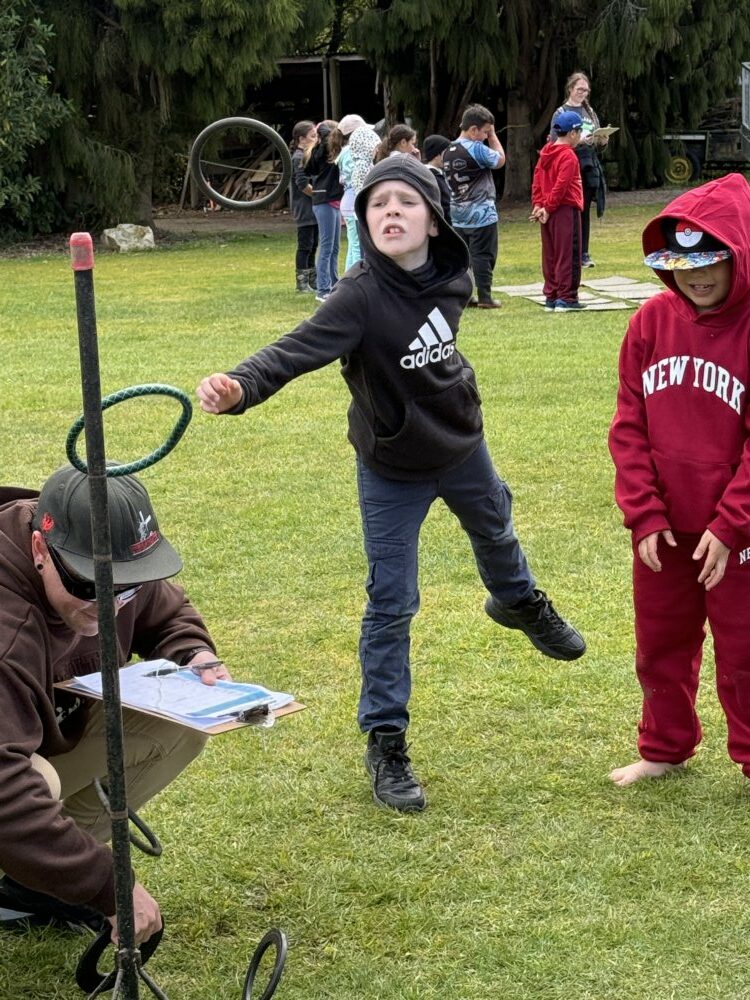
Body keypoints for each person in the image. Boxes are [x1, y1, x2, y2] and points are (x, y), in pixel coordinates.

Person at [196, 154, 586, 815]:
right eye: (378, 204)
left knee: (496, 527)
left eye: (406, 202)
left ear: (434, 222)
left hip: (461, 442)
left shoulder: (455, 274)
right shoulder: (358, 296)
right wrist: (239, 387)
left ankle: (518, 600)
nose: (391, 212)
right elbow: (292, 351)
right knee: (391, 603)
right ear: (364, 222)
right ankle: (386, 740)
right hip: (391, 466)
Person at [0, 466, 229, 942]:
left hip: (33, 739)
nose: (111, 605)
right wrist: (106, 883)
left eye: (127, 586)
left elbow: (164, 610)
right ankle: (38, 864)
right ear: (40, 549)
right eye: (91, 587)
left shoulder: (100, 553)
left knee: (180, 722)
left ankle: (33, 888)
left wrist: (192, 652)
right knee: (33, 782)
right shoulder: (7, 627)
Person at [608, 172, 750, 787]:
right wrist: (644, 512)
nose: (697, 276)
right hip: (666, 529)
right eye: (682, 264)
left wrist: (731, 525)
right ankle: (665, 746)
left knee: (744, 649)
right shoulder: (650, 322)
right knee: (660, 642)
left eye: (711, 260)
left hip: (737, 533)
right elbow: (629, 425)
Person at [443, 104, 505, 309]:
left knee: (465, 257)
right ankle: (485, 296)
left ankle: (466, 295)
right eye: (485, 131)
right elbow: (500, 160)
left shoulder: (448, 151)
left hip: (458, 214)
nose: (486, 136)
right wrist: (494, 136)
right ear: (473, 130)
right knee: (483, 255)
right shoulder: (476, 149)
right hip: (482, 213)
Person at [530, 111, 585, 312]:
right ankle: (567, 297)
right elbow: (561, 186)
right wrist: (548, 207)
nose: (580, 136)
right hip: (564, 209)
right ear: (572, 133)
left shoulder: (546, 152)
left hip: (546, 210)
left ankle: (551, 296)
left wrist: (538, 205)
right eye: (579, 132)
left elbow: (537, 180)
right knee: (568, 253)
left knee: (551, 254)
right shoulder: (568, 156)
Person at [552, 72, 607, 268]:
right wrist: (577, 141)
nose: (583, 93)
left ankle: (584, 253)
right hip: (570, 163)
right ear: (570, 89)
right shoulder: (560, 112)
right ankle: (569, 252)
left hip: (589, 165)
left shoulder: (589, 112)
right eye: (580, 89)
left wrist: (602, 141)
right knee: (571, 210)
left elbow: (597, 143)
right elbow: (554, 141)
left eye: (586, 90)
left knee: (584, 210)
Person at [304, 119, 344, 303]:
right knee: (327, 247)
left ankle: (334, 284)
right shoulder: (323, 151)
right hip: (324, 201)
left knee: (334, 247)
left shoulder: (333, 151)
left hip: (333, 201)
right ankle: (322, 290)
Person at [337, 114, 372, 271]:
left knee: (353, 245)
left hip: (347, 200)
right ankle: (356, 278)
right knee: (357, 246)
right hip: (353, 203)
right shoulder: (354, 154)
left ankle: (348, 277)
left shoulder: (344, 152)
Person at [289, 120, 319, 293]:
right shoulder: (298, 157)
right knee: (305, 246)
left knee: (313, 244)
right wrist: (319, 195)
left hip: (313, 207)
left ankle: (312, 281)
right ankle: (302, 283)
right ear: (301, 139)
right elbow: (302, 184)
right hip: (304, 208)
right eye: (312, 136)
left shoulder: (307, 155)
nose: (316, 139)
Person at [422, 134, 452, 224]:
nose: (449, 156)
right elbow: (445, 205)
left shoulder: (438, 174)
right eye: (446, 152)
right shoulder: (433, 177)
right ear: (436, 155)